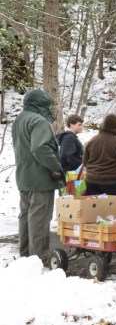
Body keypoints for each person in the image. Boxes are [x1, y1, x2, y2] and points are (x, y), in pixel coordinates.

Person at [12, 89, 64, 262]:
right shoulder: (39, 120)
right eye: (47, 105)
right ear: (39, 104)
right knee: (39, 218)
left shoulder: (20, 119)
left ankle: (26, 257)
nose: (49, 108)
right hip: (40, 177)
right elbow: (40, 148)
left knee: (26, 216)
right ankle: (38, 259)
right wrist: (56, 169)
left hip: (24, 176)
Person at [83, 113, 116, 196]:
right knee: (113, 207)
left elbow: (85, 162)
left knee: (94, 207)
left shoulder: (92, 141)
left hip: (92, 180)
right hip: (113, 181)